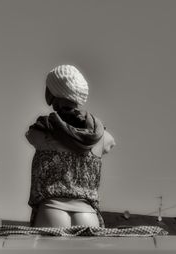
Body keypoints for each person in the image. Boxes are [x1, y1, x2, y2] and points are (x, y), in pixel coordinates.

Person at [26, 64, 116, 228]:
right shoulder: (102, 136)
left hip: (51, 212)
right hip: (87, 215)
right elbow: (111, 143)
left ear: (52, 93)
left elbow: (31, 136)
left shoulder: (42, 131)